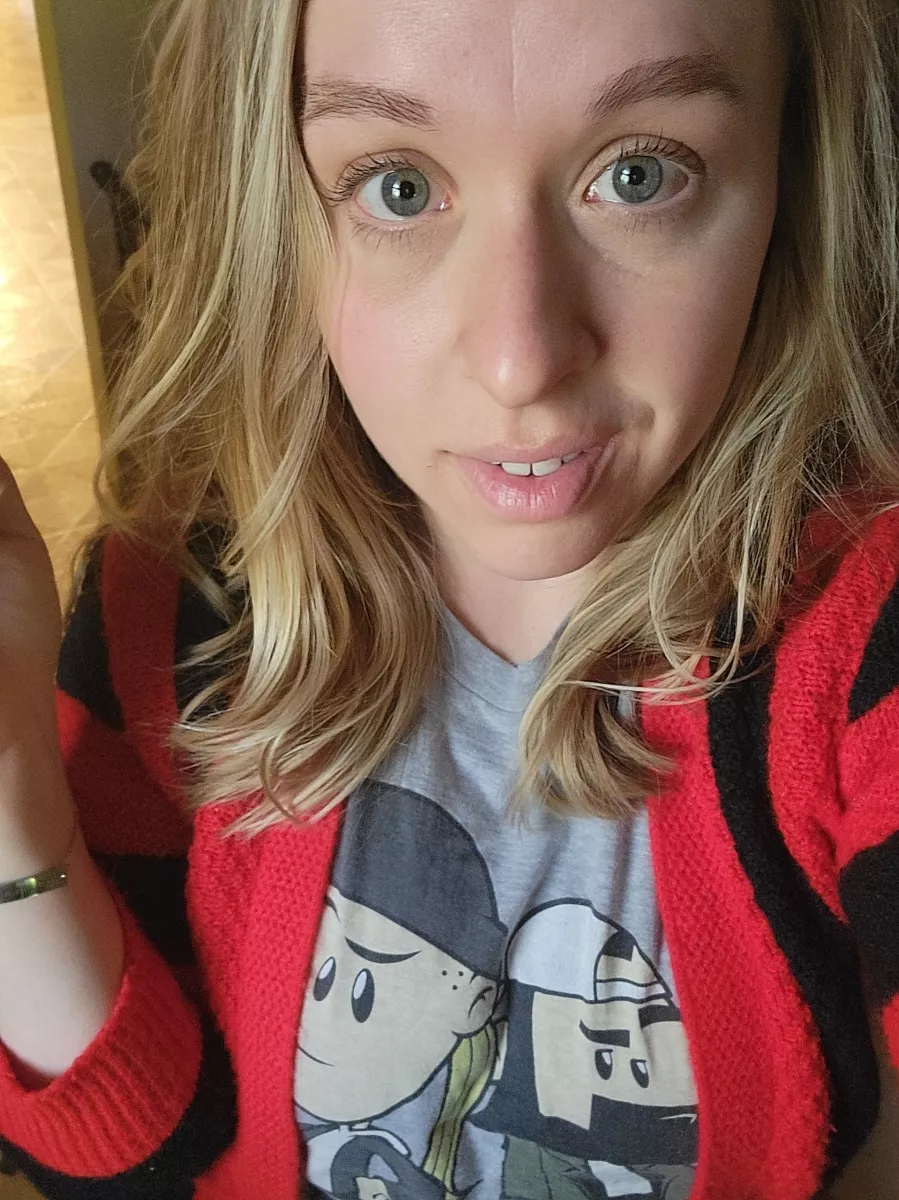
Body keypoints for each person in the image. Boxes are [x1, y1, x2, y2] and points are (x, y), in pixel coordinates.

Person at [0, 0, 897, 1198]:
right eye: (398, 188)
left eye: (639, 174)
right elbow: (138, 1158)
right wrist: (12, 816)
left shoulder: (862, 623)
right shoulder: (169, 612)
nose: (519, 360)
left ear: (791, 176)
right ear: (277, 212)